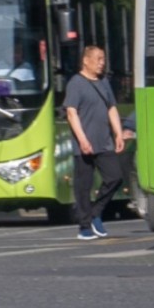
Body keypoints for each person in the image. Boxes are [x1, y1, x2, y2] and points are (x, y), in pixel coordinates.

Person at [65, 44, 125, 241]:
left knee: (115, 177)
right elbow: (71, 112)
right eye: (98, 59)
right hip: (85, 144)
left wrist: (118, 133)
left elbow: (112, 108)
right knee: (83, 186)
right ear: (86, 60)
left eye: (103, 59)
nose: (102, 63)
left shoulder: (103, 82)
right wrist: (82, 139)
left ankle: (95, 212)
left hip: (104, 141)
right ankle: (84, 227)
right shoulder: (76, 83)